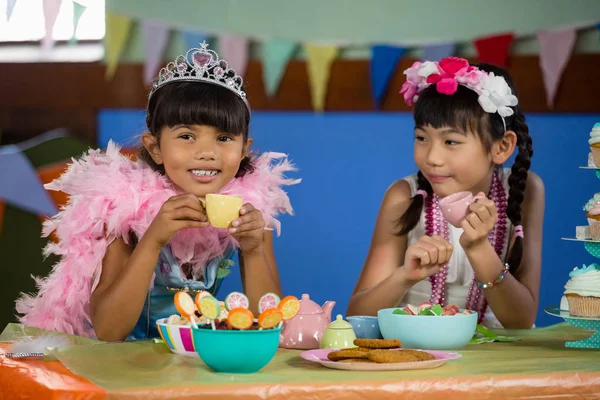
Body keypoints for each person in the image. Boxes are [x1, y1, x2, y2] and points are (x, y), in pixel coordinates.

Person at [16, 42, 300, 341]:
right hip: (125, 366)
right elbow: (109, 332)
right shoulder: (122, 211)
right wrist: (152, 240)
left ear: (244, 149)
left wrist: (253, 248)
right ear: (155, 147)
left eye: (224, 138)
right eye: (187, 136)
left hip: (195, 362)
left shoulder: (250, 210)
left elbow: (271, 324)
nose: (207, 152)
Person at [347, 57, 544, 328]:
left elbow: (521, 320)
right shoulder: (404, 196)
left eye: (451, 141)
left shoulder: (525, 191)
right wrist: (404, 276)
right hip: (418, 354)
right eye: (421, 138)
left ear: (501, 147)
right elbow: (357, 315)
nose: (432, 158)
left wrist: (479, 249)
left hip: (498, 359)